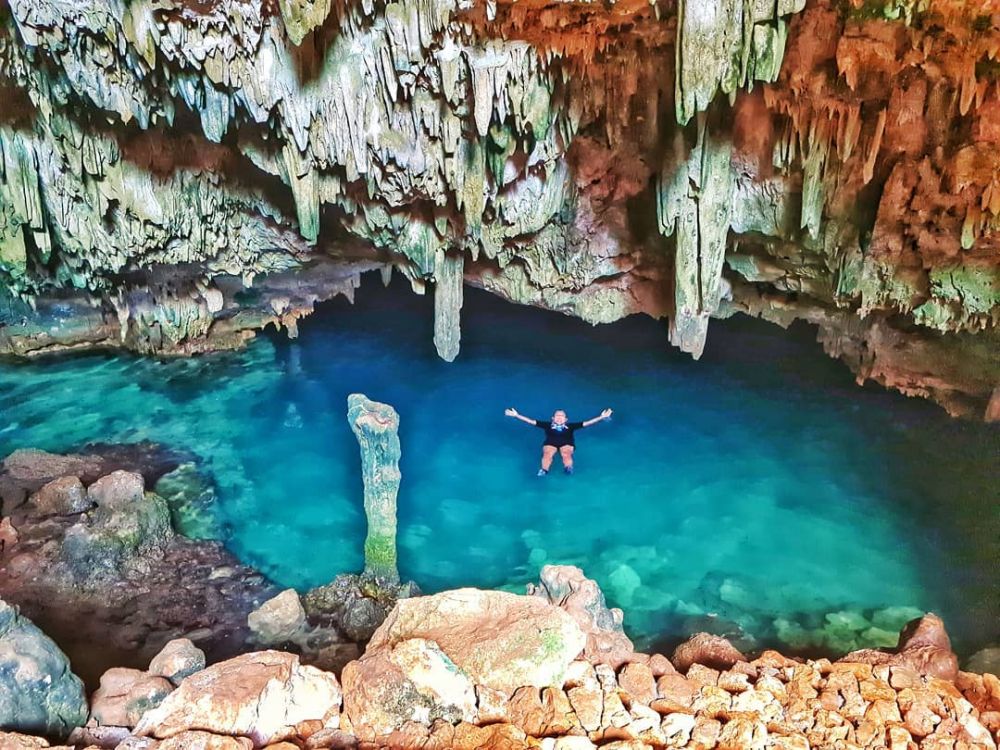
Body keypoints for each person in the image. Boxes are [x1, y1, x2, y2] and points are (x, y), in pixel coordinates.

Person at [504, 407, 613, 476]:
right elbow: (530, 421)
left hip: (567, 443)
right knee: (547, 454)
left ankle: (568, 468)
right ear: (553, 418)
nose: (559, 417)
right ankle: (544, 470)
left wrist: (601, 417)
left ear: (566, 419)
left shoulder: (571, 426)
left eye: (562, 416)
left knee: (566, 454)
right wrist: (516, 415)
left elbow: (587, 423)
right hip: (550, 443)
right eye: (557, 416)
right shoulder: (547, 425)